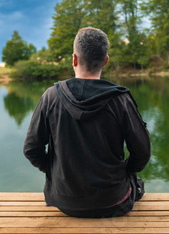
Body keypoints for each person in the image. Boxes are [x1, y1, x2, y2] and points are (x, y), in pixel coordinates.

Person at [23, 27, 151, 218]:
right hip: (114, 202)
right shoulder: (121, 99)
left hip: (65, 201)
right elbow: (142, 154)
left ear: (74, 59)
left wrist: (56, 171)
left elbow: (32, 149)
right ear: (105, 61)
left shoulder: (50, 97)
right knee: (137, 182)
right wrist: (123, 171)